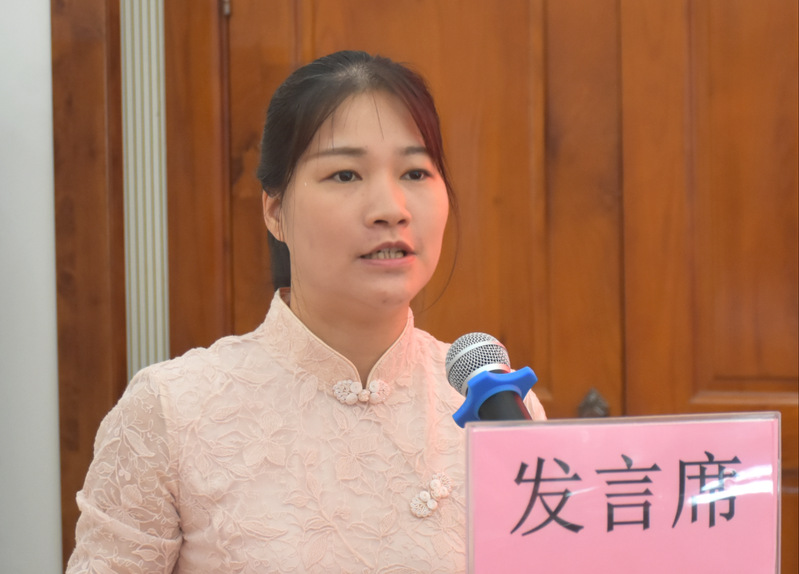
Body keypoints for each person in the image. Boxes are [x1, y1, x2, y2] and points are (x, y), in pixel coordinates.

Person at [66, 50, 546, 573]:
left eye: (414, 171)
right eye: (345, 175)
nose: (391, 209)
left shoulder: (500, 406)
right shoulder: (172, 412)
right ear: (275, 210)